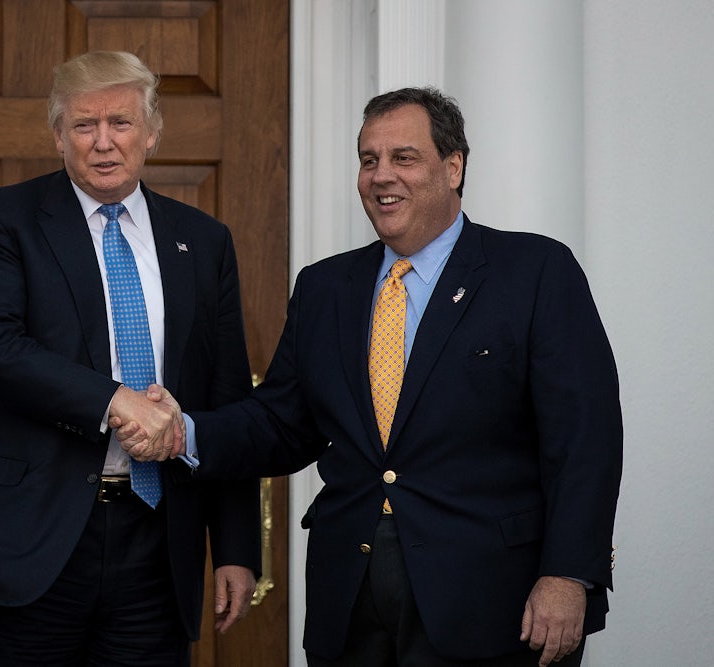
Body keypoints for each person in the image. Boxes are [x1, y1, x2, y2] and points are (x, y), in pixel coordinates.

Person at [116, 87, 622, 666]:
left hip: (491, 600)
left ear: (454, 167)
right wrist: (185, 432)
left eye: (404, 158)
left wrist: (568, 574)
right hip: (350, 600)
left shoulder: (534, 272)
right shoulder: (325, 287)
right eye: (368, 160)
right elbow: (282, 424)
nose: (382, 176)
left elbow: (586, 440)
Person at [0, 50, 260, 666]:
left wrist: (235, 546)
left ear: (152, 132)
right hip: (29, 540)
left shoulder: (203, 241)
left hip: (157, 544)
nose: (103, 143)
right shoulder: (1, 221)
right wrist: (114, 400)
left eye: (120, 123)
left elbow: (227, 397)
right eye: (83, 125)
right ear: (57, 135)